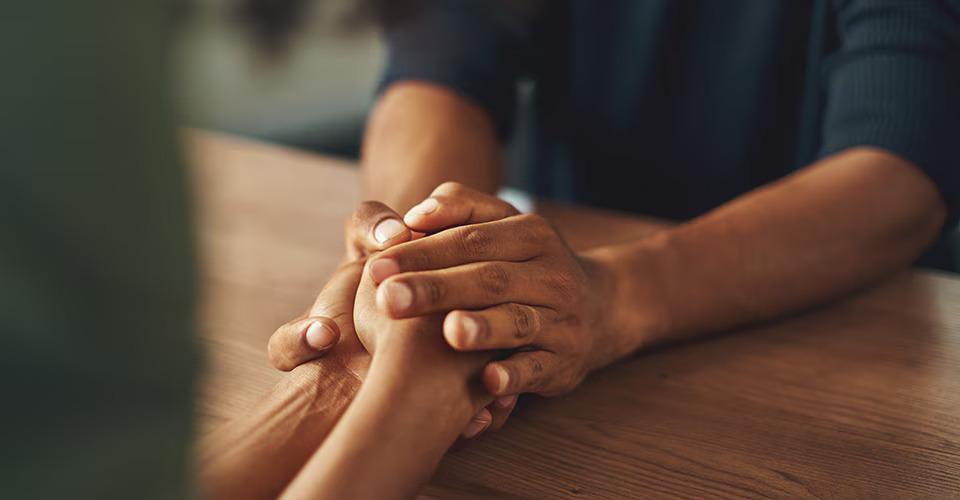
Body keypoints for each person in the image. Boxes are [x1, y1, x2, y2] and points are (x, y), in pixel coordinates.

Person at [273, 0, 960, 436]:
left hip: (849, 361)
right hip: (570, 347)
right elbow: (444, 55)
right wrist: (408, 252)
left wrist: (614, 298)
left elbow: (900, 165)